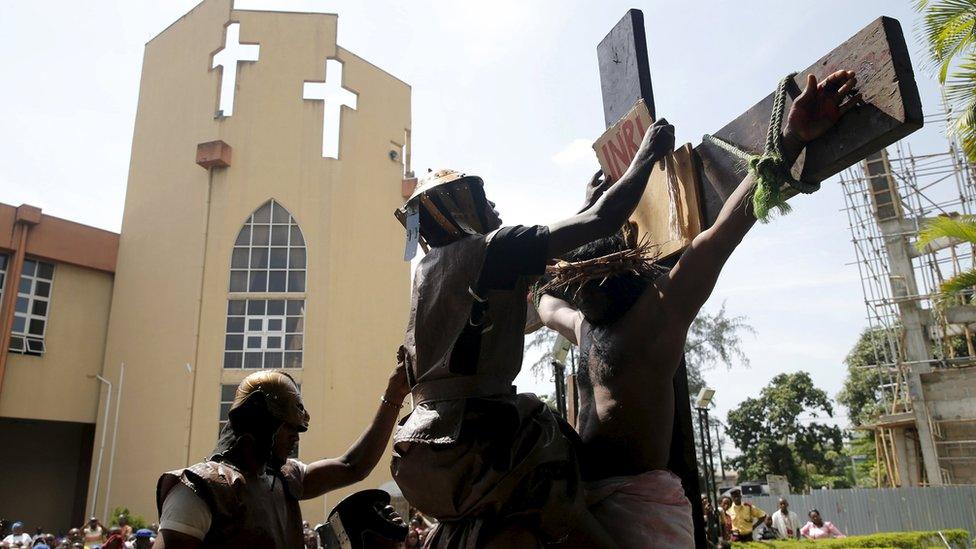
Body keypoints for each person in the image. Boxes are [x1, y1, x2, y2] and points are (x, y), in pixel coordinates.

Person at [534, 70, 859, 548]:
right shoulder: (585, 326)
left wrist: (790, 138)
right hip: (586, 510)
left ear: (617, 275)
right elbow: (544, 302)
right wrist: (589, 210)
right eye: (576, 288)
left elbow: (721, 234)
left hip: (643, 514)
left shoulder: (660, 311)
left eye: (585, 285)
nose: (579, 296)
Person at [390, 118, 675, 547]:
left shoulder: (428, 273)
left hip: (424, 450)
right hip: (483, 444)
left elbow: (535, 274)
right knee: (576, 515)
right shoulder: (494, 248)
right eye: (485, 200)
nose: (496, 209)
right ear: (462, 207)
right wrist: (648, 152)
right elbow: (604, 219)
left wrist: (582, 209)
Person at [155, 355, 409, 548]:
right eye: (290, 428)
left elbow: (353, 466)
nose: (295, 439)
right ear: (262, 421)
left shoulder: (285, 477)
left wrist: (395, 392)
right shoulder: (198, 489)